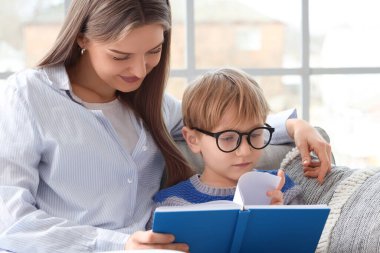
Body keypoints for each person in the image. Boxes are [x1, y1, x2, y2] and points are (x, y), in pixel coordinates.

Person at [0, 0, 331, 252]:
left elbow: (217, 126)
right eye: (120, 56)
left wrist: (295, 125)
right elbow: (9, 221)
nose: (140, 70)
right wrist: (119, 245)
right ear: (82, 38)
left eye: (153, 52)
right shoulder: (26, 96)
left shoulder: (151, 103)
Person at [148, 68, 304, 229]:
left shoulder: (281, 190)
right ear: (193, 140)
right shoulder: (170, 206)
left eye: (255, 134)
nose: (245, 151)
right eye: (228, 138)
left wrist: (278, 223)